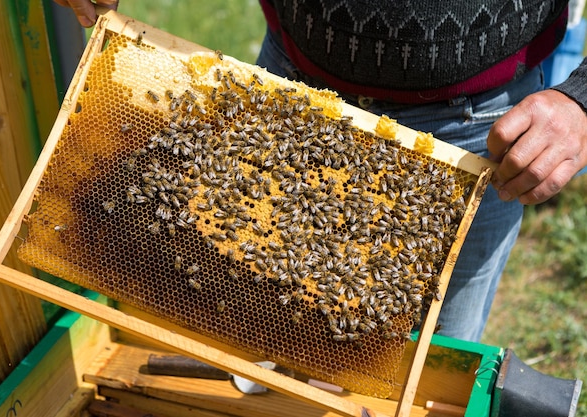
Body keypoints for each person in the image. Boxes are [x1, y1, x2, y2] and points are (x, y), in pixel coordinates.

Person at [55, 0, 587, 342]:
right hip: (291, 91)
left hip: (479, 125)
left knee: (426, 353)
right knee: (254, 319)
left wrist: (581, 99)